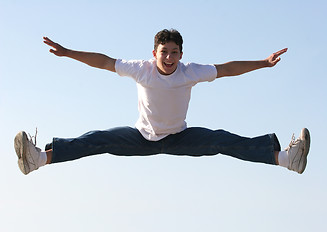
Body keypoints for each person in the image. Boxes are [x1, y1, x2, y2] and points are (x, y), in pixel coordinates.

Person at [14, 29, 310, 175]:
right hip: (141, 137)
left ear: (181, 54)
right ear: (154, 52)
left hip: (181, 137)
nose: (169, 58)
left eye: (174, 52)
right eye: (164, 52)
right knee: (98, 139)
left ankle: (286, 160)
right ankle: (37, 160)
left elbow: (228, 68)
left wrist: (262, 63)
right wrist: (68, 52)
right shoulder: (139, 68)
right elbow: (103, 61)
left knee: (222, 140)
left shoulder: (190, 72)